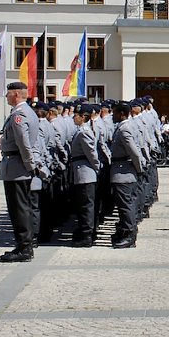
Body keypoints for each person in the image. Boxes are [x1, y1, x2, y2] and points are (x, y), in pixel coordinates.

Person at [0, 82, 41, 263]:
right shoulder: (27, 112)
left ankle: (24, 248)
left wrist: (29, 164)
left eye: (8, 94)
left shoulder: (19, 114)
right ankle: (24, 245)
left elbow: (23, 142)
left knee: (19, 209)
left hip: (17, 166)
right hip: (18, 165)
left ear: (16, 94)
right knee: (22, 207)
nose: (6, 97)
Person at [110, 102, 144, 249]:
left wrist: (139, 169)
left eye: (115, 113)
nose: (113, 116)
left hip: (124, 171)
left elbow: (134, 152)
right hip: (122, 169)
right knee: (124, 204)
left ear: (122, 114)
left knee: (125, 205)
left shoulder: (124, 129)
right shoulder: (125, 126)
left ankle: (130, 235)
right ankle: (125, 231)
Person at [69, 103, 100, 248]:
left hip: (85, 172)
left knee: (86, 205)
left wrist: (97, 167)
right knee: (83, 204)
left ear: (83, 117)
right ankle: (85, 232)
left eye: (76, 115)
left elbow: (92, 154)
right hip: (81, 170)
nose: (74, 117)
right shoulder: (80, 130)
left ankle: (87, 235)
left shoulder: (84, 132)